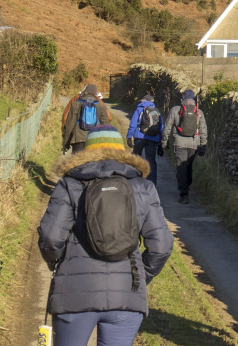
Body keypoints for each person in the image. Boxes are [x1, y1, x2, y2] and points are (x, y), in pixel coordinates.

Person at [38, 124, 174, 346]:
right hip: (126, 297)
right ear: (120, 151)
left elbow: (50, 237)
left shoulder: (69, 185)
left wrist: (59, 265)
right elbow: (162, 246)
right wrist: (139, 276)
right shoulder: (143, 187)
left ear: (87, 150)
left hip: (74, 297)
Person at [160, 89, 207, 204]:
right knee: (189, 167)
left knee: (181, 168)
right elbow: (203, 130)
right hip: (193, 144)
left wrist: (164, 143)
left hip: (179, 143)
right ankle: (187, 187)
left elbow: (167, 127)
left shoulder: (175, 110)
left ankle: (183, 193)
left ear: (182, 99)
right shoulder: (198, 112)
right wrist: (203, 145)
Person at [63, 84, 111, 153]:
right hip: (95, 140)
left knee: (78, 163)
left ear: (85, 92)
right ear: (95, 94)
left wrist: (66, 143)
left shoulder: (76, 104)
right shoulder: (100, 106)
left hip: (78, 140)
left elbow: (69, 124)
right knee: (93, 163)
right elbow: (106, 125)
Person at [126, 95, 163, 183]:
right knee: (151, 160)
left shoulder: (139, 109)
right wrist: (160, 141)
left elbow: (133, 124)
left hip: (139, 137)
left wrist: (129, 137)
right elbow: (161, 127)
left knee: (136, 158)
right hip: (153, 138)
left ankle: (134, 180)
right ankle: (152, 183)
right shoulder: (157, 111)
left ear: (143, 100)